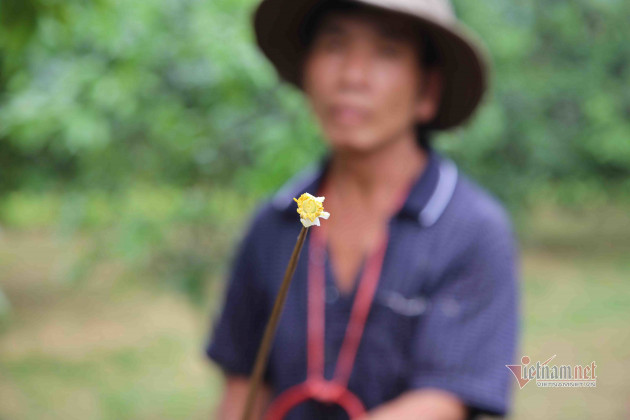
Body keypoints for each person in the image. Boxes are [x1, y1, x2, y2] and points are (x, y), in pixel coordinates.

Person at [206, 0, 520, 419]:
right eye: (334, 45)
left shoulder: (471, 229)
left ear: (427, 90)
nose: (352, 76)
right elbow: (243, 386)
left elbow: (446, 399)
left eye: (387, 52)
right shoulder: (277, 223)